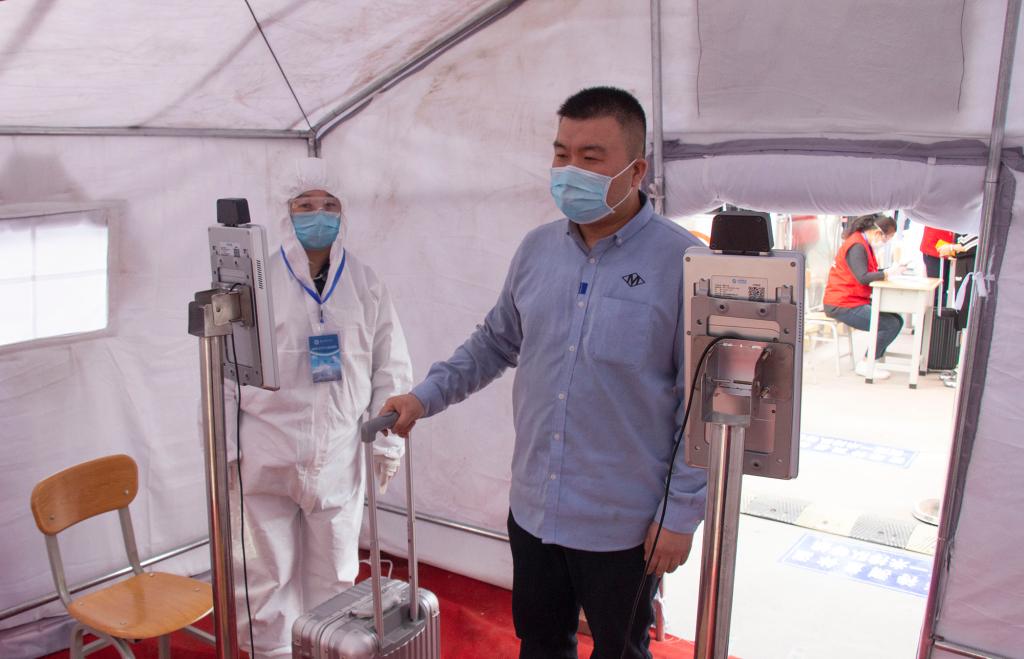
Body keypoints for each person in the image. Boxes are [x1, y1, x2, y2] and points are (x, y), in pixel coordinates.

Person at [381, 87, 707, 659]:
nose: (569, 170)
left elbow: (700, 405)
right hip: (535, 509)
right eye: (561, 154)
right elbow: (494, 342)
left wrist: (679, 514)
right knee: (540, 644)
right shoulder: (536, 250)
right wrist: (424, 396)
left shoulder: (683, 263)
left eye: (590, 157)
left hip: (624, 526)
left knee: (621, 651)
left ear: (636, 171)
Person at [225, 158, 413, 657]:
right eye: (305, 204)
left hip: (338, 454)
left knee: (335, 574)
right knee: (265, 576)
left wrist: (386, 444)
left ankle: (329, 651)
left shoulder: (365, 283)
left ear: (343, 212)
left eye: (329, 204)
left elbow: (390, 366)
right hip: (265, 453)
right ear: (284, 211)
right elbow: (223, 375)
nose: (318, 214)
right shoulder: (254, 283)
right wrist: (224, 452)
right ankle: (270, 653)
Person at [823, 213, 905, 379]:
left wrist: (887, 272)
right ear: (877, 233)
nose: (885, 242)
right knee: (889, 324)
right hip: (842, 304)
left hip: (853, 300)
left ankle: (872, 360)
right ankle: (867, 364)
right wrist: (887, 273)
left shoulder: (863, 244)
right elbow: (863, 277)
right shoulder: (857, 246)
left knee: (897, 320)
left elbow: (867, 272)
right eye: (887, 238)